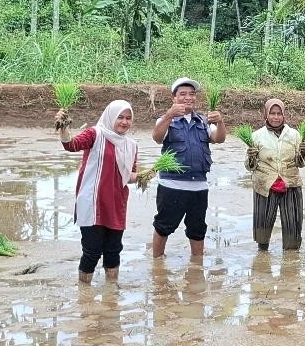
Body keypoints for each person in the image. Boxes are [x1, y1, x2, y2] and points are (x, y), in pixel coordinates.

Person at [57, 99, 138, 285]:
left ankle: (111, 292)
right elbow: (72, 145)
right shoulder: (96, 134)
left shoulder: (131, 145)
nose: (124, 122)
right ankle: (84, 294)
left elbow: (130, 176)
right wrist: (63, 127)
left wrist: (145, 175)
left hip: (117, 203)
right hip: (93, 203)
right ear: (110, 116)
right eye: (120, 117)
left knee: (114, 250)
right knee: (92, 251)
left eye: (128, 118)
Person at [151, 77, 227, 258]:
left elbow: (219, 139)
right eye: (182, 94)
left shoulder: (202, 121)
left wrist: (220, 122)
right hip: (172, 185)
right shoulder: (165, 120)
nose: (188, 98)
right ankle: (157, 263)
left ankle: (197, 265)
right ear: (174, 98)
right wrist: (170, 115)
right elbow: (157, 137)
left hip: (199, 187)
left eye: (191, 94)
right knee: (163, 226)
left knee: (197, 228)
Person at [246, 98, 305, 250]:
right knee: (263, 229)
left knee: (293, 228)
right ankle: (262, 261)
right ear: (266, 115)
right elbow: (249, 166)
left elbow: (302, 164)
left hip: (290, 184)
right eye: (272, 113)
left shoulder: (294, 135)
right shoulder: (256, 136)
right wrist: (251, 156)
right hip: (265, 185)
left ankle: (291, 264)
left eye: (279, 113)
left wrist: (303, 153)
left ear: (284, 115)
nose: (275, 117)